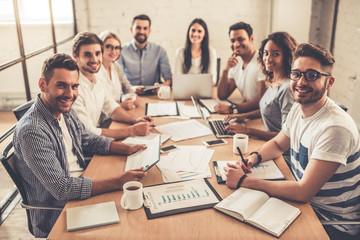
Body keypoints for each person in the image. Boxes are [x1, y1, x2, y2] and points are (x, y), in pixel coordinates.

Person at [225, 43, 360, 240]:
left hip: (330, 222)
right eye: (296, 74)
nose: (301, 82)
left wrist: (244, 181)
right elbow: (279, 144)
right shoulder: (299, 108)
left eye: (312, 75)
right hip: (304, 206)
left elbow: (303, 192)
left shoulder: (334, 127)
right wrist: (254, 157)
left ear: (329, 83)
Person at [12, 53, 147, 238]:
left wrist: (128, 148)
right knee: (131, 227)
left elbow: (87, 139)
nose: (69, 94)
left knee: (139, 211)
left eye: (74, 86)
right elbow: (62, 189)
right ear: (43, 85)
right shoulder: (32, 131)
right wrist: (118, 181)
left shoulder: (64, 110)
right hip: (61, 211)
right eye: (61, 85)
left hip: (84, 182)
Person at [224, 32, 296, 165]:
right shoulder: (274, 80)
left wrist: (247, 130)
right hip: (270, 145)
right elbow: (268, 109)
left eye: (275, 54)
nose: (268, 58)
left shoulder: (286, 89)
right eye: (266, 53)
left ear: (286, 57)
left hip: (283, 155)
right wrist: (243, 116)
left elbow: (286, 137)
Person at [71, 32, 153, 140]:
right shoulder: (73, 87)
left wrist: (136, 120)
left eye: (97, 53)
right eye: (87, 54)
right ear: (75, 56)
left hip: (96, 138)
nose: (95, 59)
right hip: (82, 148)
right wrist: (132, 130)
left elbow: (112, 108)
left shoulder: (97, 79)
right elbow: (88, 132)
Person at [215, 21, 266, 114]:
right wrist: (225, 70)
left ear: (251, 39)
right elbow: (222, 95)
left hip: (259, 115)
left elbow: (262, 100)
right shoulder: (236, 62)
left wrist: (233, 108)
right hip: (246, 111)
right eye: (232, 40)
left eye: (240, 39)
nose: (236, 44)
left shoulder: (262, 61)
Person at [119, 14, 172, 95]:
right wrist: (132, 89)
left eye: (145, 28)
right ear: (131, 29)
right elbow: (118, 79)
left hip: (154, 95)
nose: (141, 31)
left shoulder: (159, 50)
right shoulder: (121, 51)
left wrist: (162, 86)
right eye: (138, 28)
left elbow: (169, 78)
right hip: (130, 94)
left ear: (149, 30)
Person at [98, 30, 139, 110]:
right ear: (100, 47)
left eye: (117, 48)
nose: (113, 51)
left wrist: (132, 99)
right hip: (105, 119)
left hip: (118, 113)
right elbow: (99, 107)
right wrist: (120, 106)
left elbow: (128, 89)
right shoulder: (96, 71)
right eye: (109, 47)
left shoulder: (116, 66)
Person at [174, 18, 217, 84]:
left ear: (204, 34)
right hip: (185, 91)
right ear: (189, 32)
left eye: (199, 31)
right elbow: (177, 78)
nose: (195, 34)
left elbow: (212, 79)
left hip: (204, 91)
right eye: (193, 30)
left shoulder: (211, 51)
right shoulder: (180, 52)